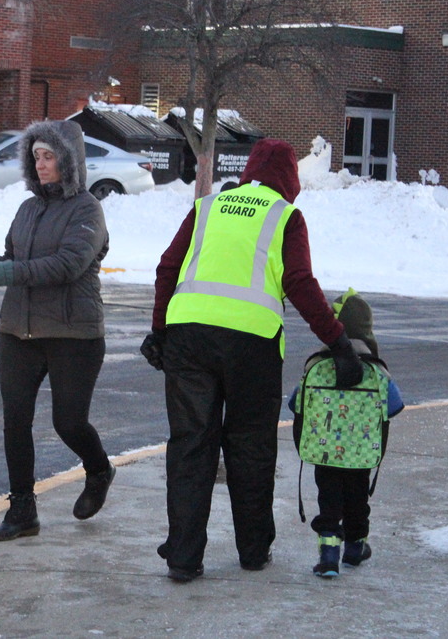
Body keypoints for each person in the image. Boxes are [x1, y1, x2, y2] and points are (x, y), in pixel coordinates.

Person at [140, 137, 364, 582]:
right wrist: (338, 342)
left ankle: (183, 557)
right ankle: (253, 550)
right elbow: (299, 282)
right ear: (290, 181)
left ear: (249, 171)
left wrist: (160, 330)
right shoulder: (285, 216)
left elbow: (169, 266)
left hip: (188, 339)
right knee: (250, 448)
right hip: (253, 347)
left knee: (190, 448)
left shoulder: (207, 207)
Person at [0, 120, 115, 540]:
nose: (41, 164)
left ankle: (99, 468)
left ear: (69, 161)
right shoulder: (28, 209)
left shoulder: (87, 209)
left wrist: (0, 271)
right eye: (36, 157)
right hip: (19, 331)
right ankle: (22, 510)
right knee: (16, 421)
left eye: (49, 157)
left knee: (69, 422)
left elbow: (67, 265)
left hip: (72, 333)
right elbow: (11, 258)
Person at [288, 288, 405, 578]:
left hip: (324, 452)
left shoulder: (317, 365)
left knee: (328, 500)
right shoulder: (377, 372)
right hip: (361, 454)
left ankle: (328, 556)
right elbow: (394, 406)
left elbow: (296, 403)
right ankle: (355, 548)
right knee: (357, 500)